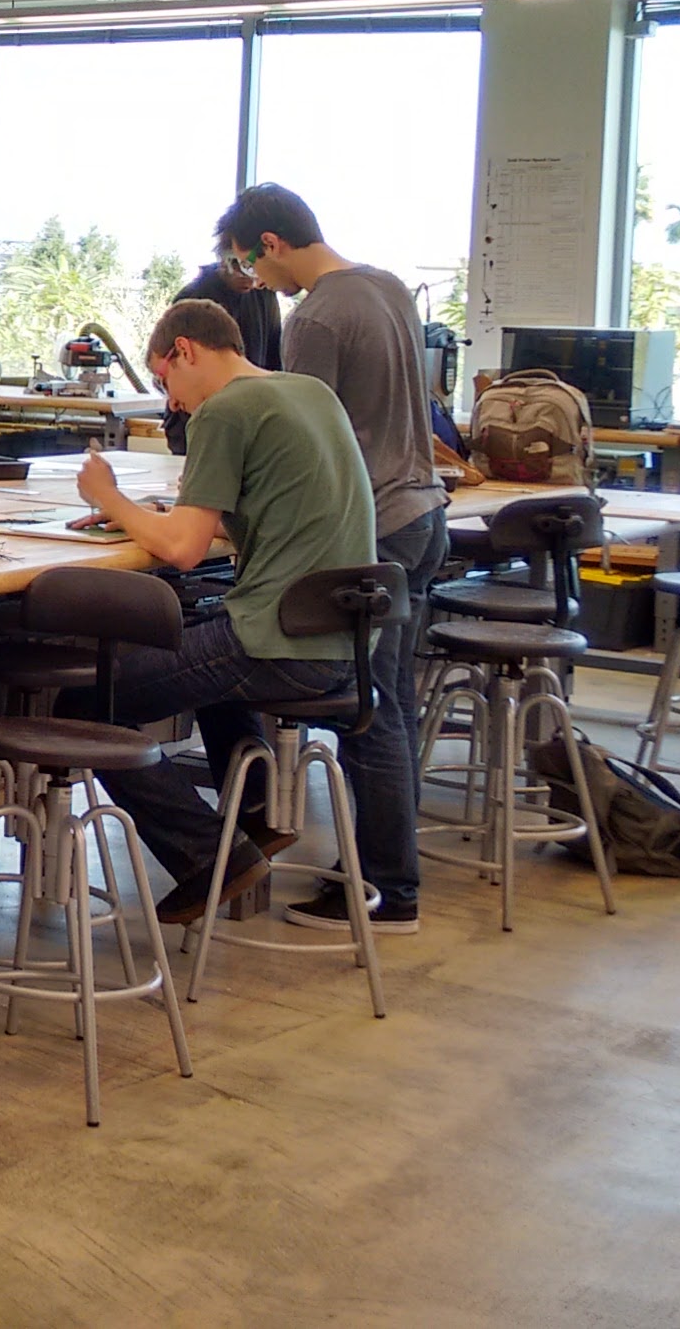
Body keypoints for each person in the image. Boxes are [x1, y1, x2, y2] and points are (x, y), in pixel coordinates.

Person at [65, 299, 378, 926]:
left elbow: (181, 550)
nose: (172, 401)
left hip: (278, 642)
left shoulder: (225, 411)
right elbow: (249, 516)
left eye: (164, 380)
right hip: (344, 642)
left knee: (84, 708)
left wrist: (110, 498)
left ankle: (212, 856)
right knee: (206, 656)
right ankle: (258, 815)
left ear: (185, 350)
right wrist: (149, 516)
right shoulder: (309, 393)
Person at [218, 182, 449, 936]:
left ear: (272, 244)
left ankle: (386, 890)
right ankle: (386, 873)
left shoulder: (313, 316)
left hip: (370, 527)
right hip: (422, 513)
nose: (256, 282)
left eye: (251, 265)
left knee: (366, 712)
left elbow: (304, 437)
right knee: (392, 706)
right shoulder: (385, 286)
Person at [163, 242, 283, 453]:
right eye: (243, 269)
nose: (252, 281)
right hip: (198, 423)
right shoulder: (195, 297)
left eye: (256, 271)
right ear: (225, 261)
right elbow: (176, 371)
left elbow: (273, 361)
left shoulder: (263, 296)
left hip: (252, 419)